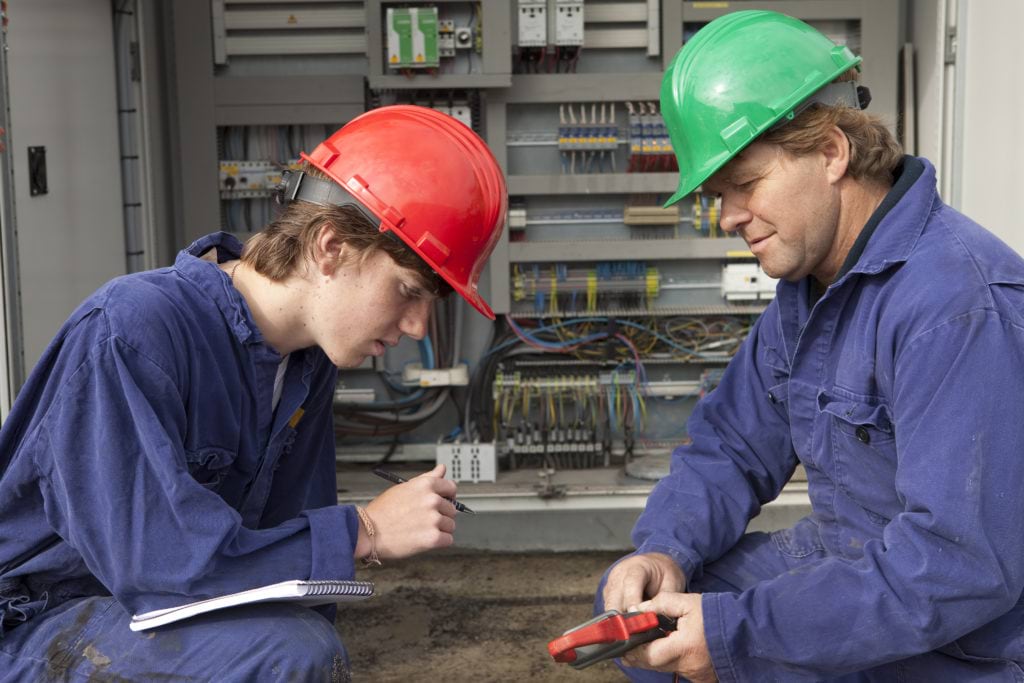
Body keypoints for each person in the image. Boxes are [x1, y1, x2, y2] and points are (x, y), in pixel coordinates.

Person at [0, 105, 507, 681]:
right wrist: (364, 531)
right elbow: (160, 571)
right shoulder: (133, 331)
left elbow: (293, 580)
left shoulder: (306, 365)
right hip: (31, 620)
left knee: (302, 640)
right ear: (330, 246)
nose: (417, 326)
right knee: (286, 650)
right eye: (408, 291)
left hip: (128, 618)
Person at [597, 10, 1024, 682]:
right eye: (717, 195)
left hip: (965, 636)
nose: (728, 217)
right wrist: (664, 550)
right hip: (855, 563)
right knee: (653, 624)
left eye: (745, 184)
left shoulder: (955, 305)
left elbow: (958, 563)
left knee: (716, 641)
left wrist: (745, 632)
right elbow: (732, 447)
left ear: (831, 152)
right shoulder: (811, 291)